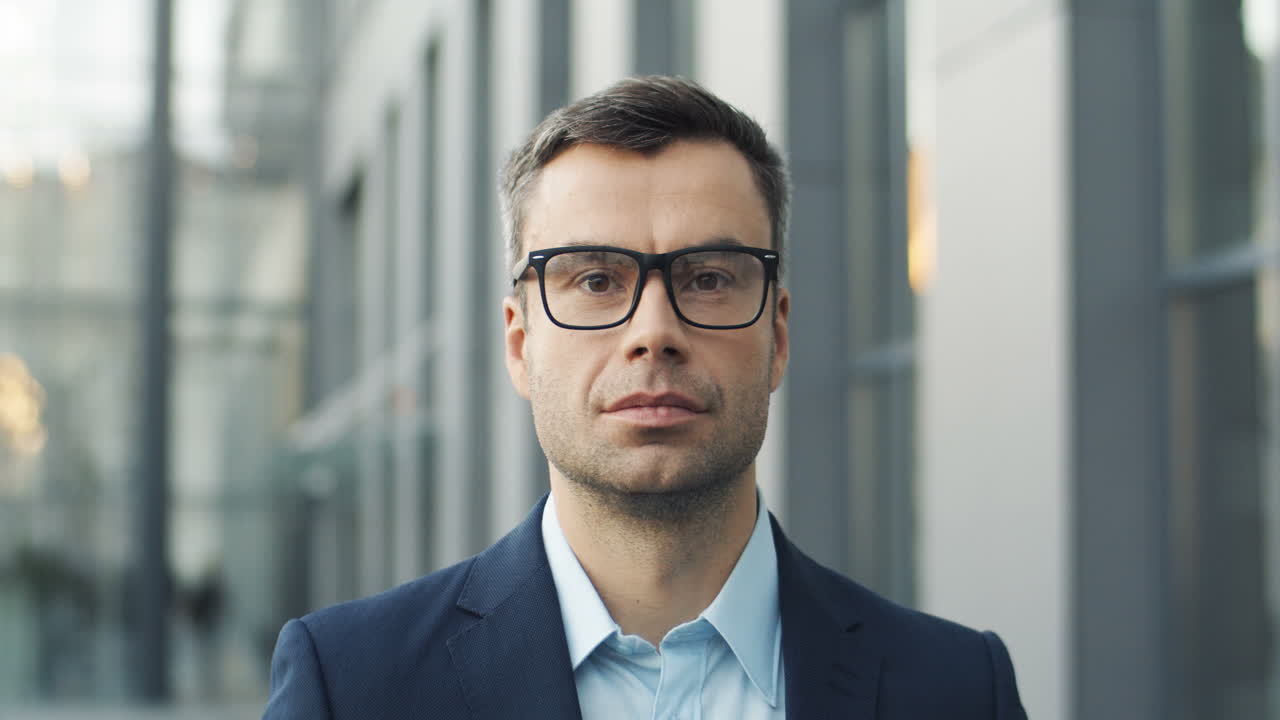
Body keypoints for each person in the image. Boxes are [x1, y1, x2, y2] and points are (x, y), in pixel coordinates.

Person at [264, 75, 1027, 720]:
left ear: (778, 335)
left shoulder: (959, 689)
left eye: (710, 278)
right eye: (596, 280)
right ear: (520, 344)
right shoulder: (351, 685)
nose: (654, 332)